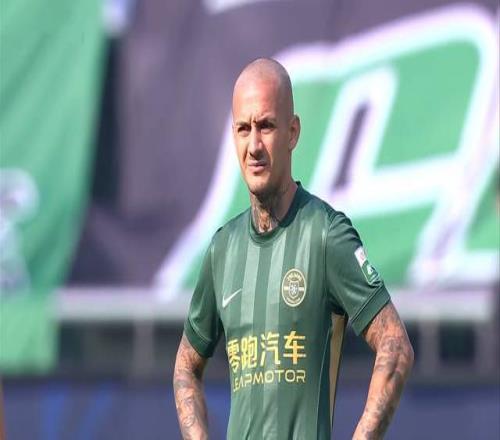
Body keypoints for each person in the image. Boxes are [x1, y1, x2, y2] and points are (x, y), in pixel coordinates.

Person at [173, 58, 414, 439]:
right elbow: (186, 365)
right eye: (243, 129)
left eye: (266, 126)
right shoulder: (223, 250)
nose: (254, 145)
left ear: (293, 132)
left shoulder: (326, 234)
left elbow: (395, 345)